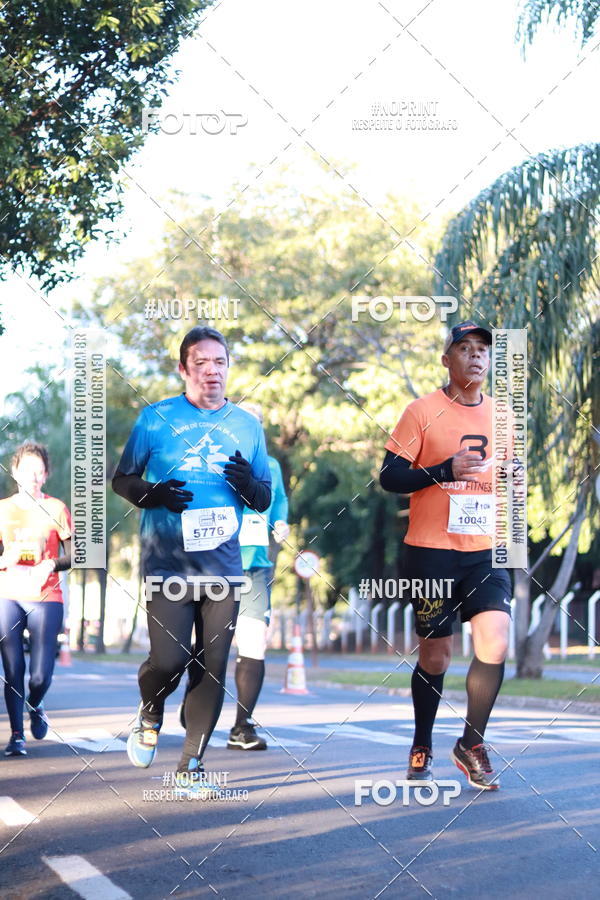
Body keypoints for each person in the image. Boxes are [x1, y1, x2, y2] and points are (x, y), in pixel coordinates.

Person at [112, 326, 271, 793]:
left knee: (213, 665)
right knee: (168, 661)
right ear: (184, 369)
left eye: (219, 362)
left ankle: (191, 766)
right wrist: (152, 493)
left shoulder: (247, 425)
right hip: (168, 563)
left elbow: (262, 498)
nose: (211, 371)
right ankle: (151, 708)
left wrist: (247, 484)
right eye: (200, 363)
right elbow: (123, 479)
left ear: (228, 368)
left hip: (223, 567)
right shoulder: (155, 419)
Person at [380, 321, 512, 790]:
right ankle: (422, 742)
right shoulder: (421, 411)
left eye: (482, 350)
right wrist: (442, 470)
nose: (475, 356)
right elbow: (390, 477)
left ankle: (471, 743)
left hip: (484, 552)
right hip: (432, 553)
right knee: (436, 655)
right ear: (446, 360)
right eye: (464, 348)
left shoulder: (503, 417)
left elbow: (510, 487)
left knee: (495, 641)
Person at [179, 401, 289, 751]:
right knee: (210, 647)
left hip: (256, 564)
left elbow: (279, 502)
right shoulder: (211, 462)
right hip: (217, 565)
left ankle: (242, 726)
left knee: (254, 641)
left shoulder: (271, 465)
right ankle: (193, 705)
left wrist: (281, 523)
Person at [0, 442, 72, 757]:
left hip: (46, 594)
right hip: (8, 595)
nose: (34, 476)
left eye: (40, 471)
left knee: (40, 674)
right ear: (15, 472)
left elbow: (76, 553)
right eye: (28, 470)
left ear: (45, 475)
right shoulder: (3, 508)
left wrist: (50, 564)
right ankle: (17, 736)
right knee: (13, 669)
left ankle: (37, 701)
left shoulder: (56, 508)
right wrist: (6, 556)